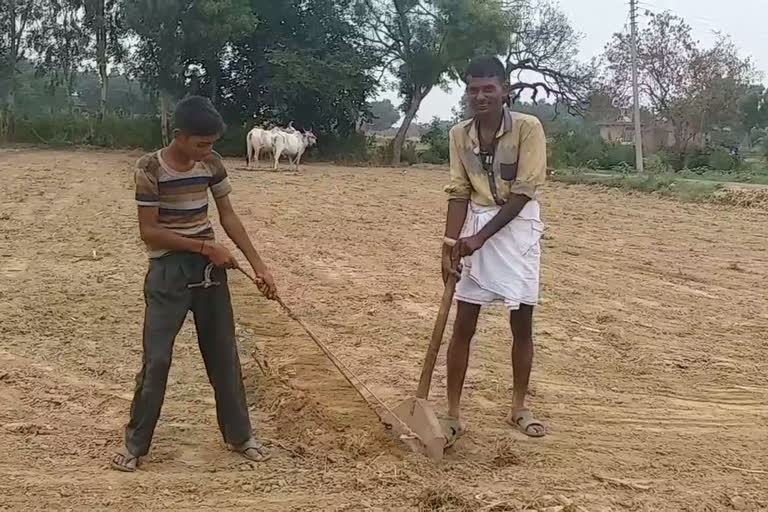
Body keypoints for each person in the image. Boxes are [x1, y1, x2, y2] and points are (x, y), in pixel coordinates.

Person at [110, 96, 278, 472]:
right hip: (168, 271)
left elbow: (229, 217)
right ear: (179, 136)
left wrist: (260, 265)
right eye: (201, 144)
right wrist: (205, 246)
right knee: (157, 360)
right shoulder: (149, 168)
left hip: (208, 271)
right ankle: (136, 445)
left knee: (223, 355)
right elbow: (149, 232)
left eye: (212, 144)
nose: (208, 151)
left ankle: (240, 436)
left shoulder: (212, 164)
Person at [441, 56, 547, 446]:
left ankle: (519, 407)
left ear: (505, 90)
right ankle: (452, 413)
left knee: (521, 321)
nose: (480, 96)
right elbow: (458, 191)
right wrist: (450, 245)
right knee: (463, 321)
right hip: (475, 225)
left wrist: (480, 238)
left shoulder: (527, 128)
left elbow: (523, 192)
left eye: (489, 88)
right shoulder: (458, 135)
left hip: (518, 228)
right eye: (473, 89)